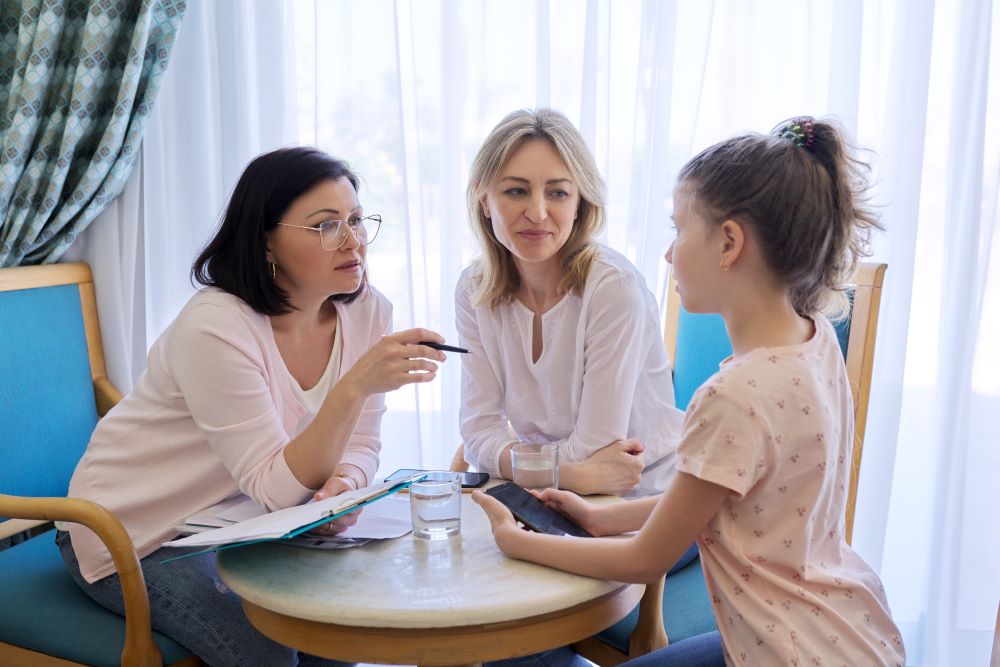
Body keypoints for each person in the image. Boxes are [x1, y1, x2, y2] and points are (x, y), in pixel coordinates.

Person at [473, 117, 906, 666]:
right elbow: (726, 502)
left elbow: (643, 562)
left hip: (783, 652)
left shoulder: (732, 397)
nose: (669, 255)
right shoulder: (813, 343)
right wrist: (599, 516)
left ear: (728, 243)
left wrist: (517, 541)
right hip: (846, 631)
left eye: (678, 231)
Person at [59, 147, 448, 667]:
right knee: (267, 644)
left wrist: (342, 490)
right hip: (134, 532)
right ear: (267, 240)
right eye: (326, 225)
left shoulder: (368, 310)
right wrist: (353, 387)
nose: (354, 241)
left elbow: (361, 444)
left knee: (341, 620)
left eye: (356, 219)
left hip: (241, 526)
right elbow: (275, 489)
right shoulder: (216, 325)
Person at [457, 108, 685, 499]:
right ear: (484, 198)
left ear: (579, 202)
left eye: (558, 193)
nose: (538, 212)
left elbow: (597, 450)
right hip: (549, 495)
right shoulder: (473, 288)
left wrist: (513, 461)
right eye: (516, 191)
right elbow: (478, 432)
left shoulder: (614, 289)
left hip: (642, 499)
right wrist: (572, 475)